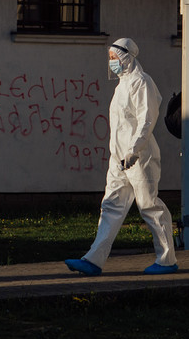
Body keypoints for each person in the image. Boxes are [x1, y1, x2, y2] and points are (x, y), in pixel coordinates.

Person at [65, 37, 178, 276]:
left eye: (114, 58)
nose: (111, 62)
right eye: (110, 58)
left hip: (140, 158)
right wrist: (119, 155)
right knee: (111, 206)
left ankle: (167, 260)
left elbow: (147, 120)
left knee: (149, 206)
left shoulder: (141, 82)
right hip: (119, 160)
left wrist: (134, 150)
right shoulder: (122, 85)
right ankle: (93, 260)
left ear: (126, 57)